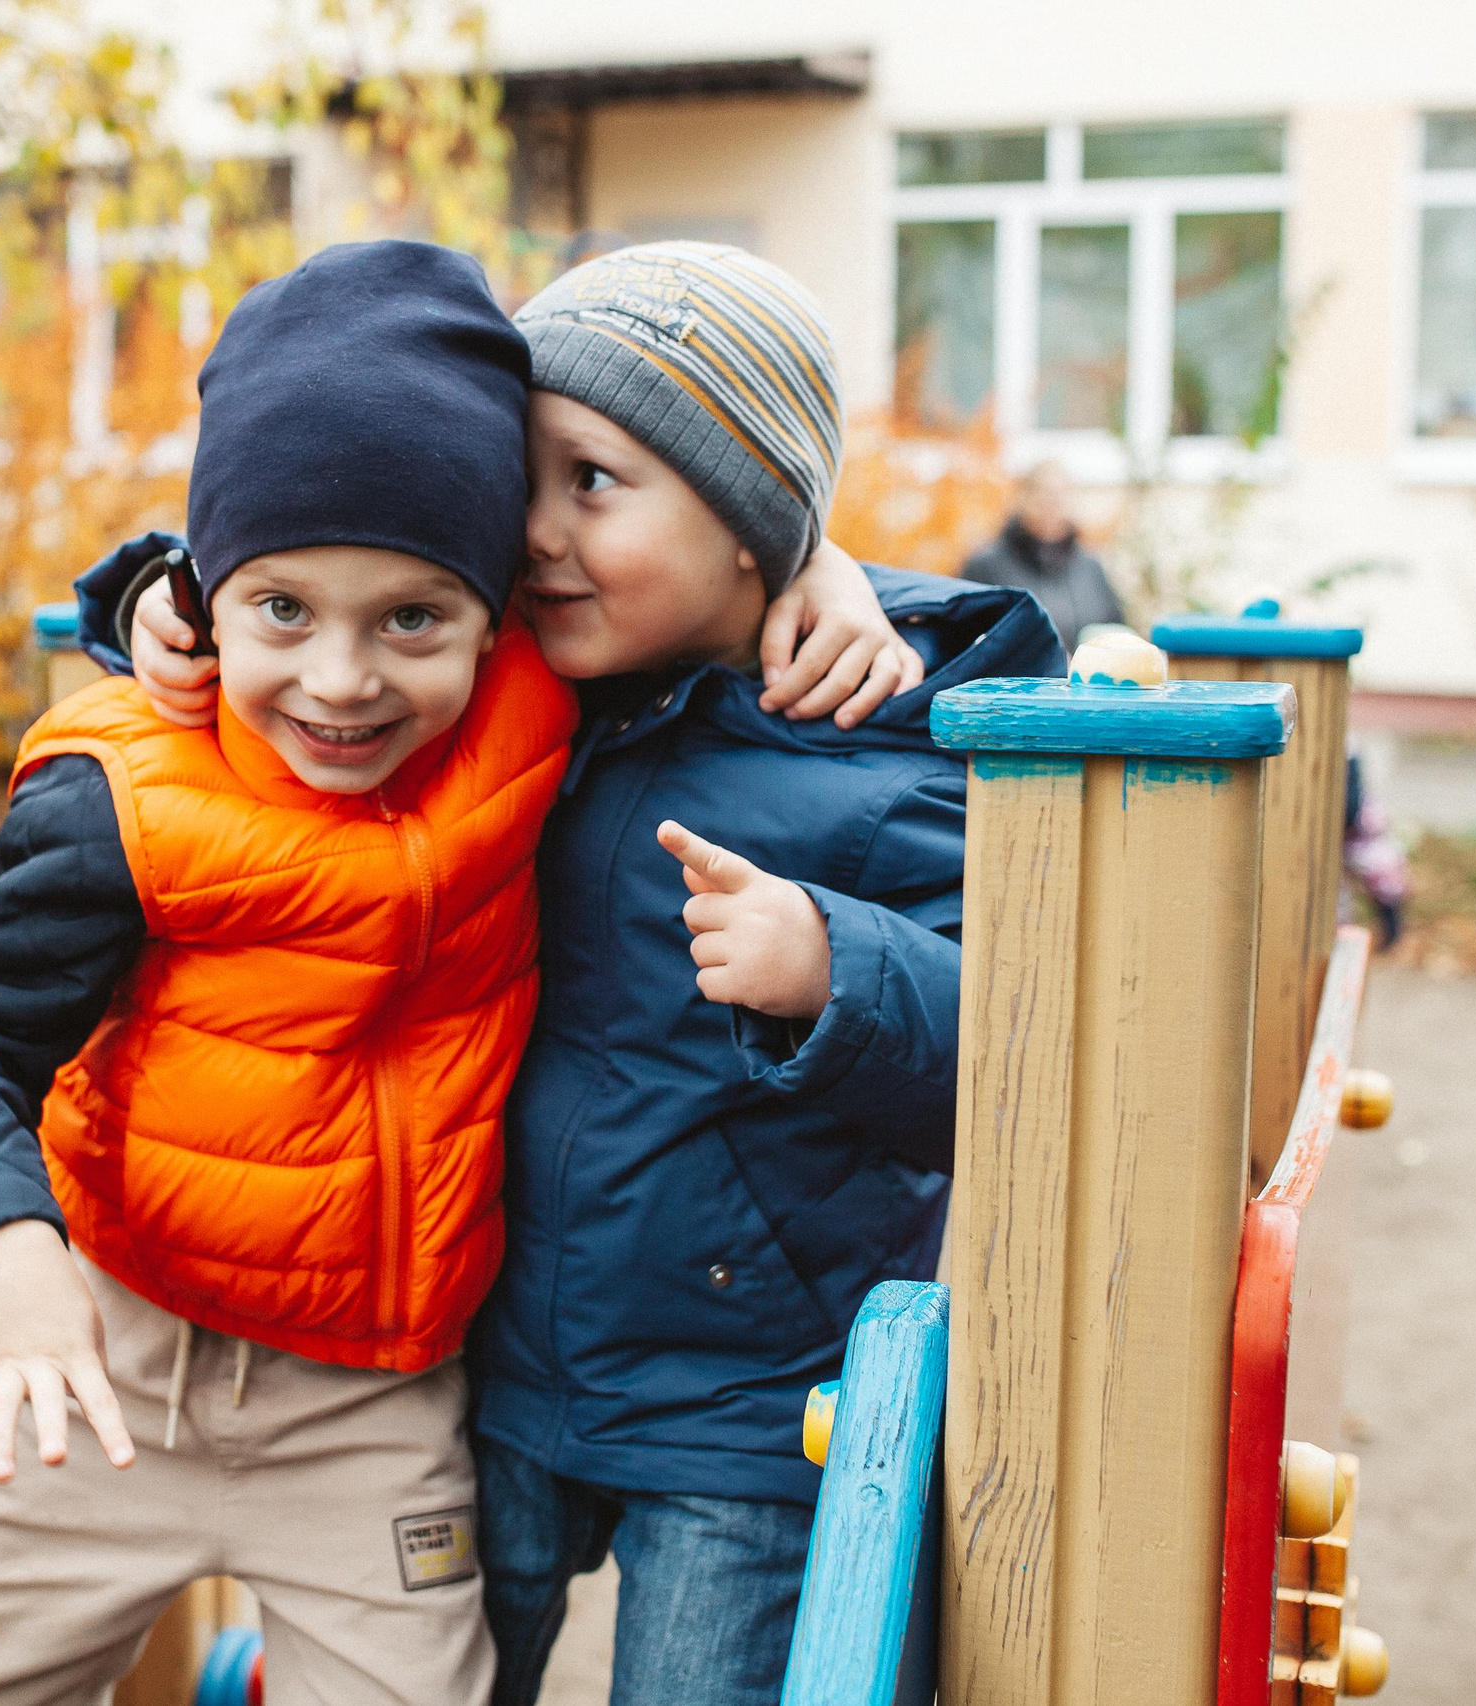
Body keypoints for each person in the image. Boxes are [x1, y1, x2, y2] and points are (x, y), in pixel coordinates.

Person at [0, 240, 914, 1706]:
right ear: (212, 601)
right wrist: (16, 1262)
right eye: (280, 611)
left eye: (411, 619)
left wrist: (819, 560)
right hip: (108, 1353)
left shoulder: (532, 711)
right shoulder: (120, 799)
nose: (346, 681)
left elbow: (685, 567)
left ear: (494, 612)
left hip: (372, 1405)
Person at [118, 241, 1066, 1706]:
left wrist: (842, 970)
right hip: (489, 1361)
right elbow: (319, 528)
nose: (536, 532)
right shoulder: (512, 682)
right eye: (527, 481)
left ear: (753, 528)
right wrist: (156, 602)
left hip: (742, 1408)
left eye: (594, 484)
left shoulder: (886, 747)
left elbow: (1013, 1057)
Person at [961, 459, 1125, 650]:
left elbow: (1116, 631)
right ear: (1022, 498)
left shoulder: (1090, 566)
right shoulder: (985, 565)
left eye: (1060, 496)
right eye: (1043, 496)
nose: (1052, 505)